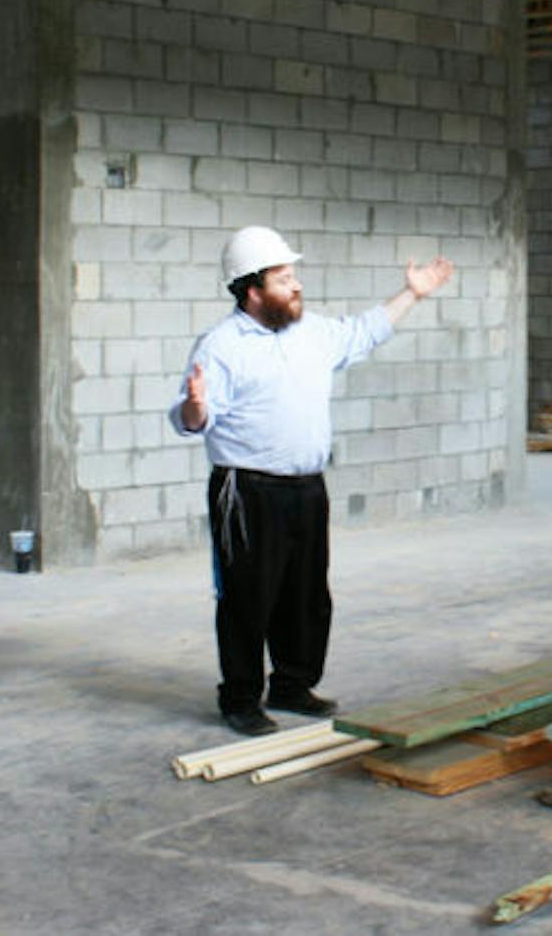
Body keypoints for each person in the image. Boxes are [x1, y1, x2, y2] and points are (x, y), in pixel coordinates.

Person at [170, 225, 453, 736]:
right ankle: (239, 698)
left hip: (305, 488)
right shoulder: (220, 346)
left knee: (305, 593)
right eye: (283, 278)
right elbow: (193, 419)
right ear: (252, 290)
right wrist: (193, 408)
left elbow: (366, 330)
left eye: (294, 275)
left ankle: (292, 685)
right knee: (246, 596)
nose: (296, 285)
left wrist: (413, 293)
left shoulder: (313, 333)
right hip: (247, 490)